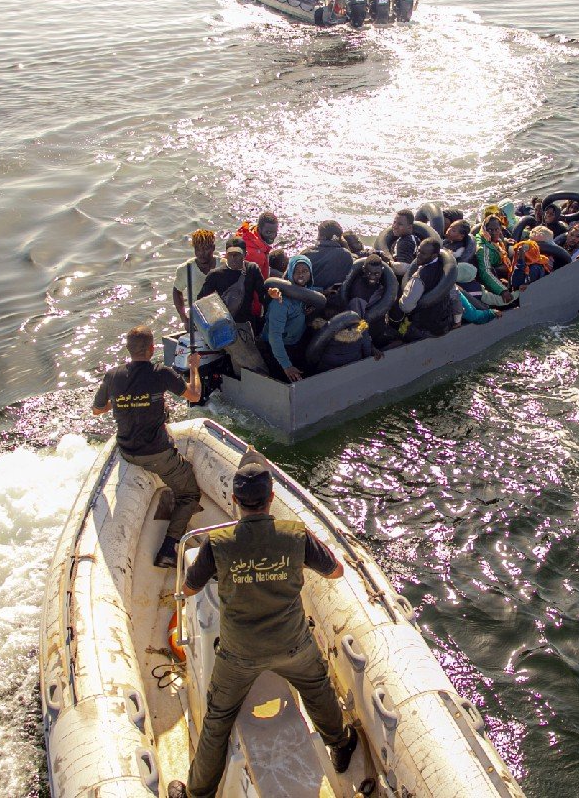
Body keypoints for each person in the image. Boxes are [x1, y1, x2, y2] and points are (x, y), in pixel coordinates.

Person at [166, 453, 358, 798]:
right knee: (317, 688)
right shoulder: (295, 535)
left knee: (219, 718)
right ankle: (340, 744)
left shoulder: (217, 543)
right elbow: (335, 571)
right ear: (271, 499)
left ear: (235, 501)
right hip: (294, 647)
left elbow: (189, 589)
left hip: (239, 653)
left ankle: (197, 793)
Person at [91, 326, 203, 569]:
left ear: (128, 349)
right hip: (157, 454)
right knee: (190, 494)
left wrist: (124, 401)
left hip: (128, 451)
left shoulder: (112, 376)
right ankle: (168, 548)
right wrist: (194, 366)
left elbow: (97, 409)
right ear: (153, 349)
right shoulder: (160, 373)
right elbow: (194, 395)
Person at [198, 236, 269, 374]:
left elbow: (263, 296)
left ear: (245, 255)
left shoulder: (252, 270)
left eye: (238, 255)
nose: (234, 258)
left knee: (241, 364)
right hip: (225, 327)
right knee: (256, 367)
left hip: (246, 326)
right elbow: (201, 302)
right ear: (226, 255)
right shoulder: (215, 275)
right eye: (231, 255)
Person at [393, 238, 457, 341]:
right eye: (419, 250)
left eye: (423, 254)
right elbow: (454, 294)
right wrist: (457, 319)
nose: (418, 255)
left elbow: (406, 307)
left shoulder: (420, 277)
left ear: (434, 256)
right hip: (443, 323)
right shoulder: (446, 270)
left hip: (423, 328)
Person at [263, 255, 313, 382]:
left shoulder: (309, 293)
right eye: (296, 271)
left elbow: (316, 295)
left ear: (310, 274)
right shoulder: (280, 302)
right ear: (290, 273)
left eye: (305, 271)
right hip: (276, 348)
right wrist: (287, 366)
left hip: (295, 341)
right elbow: (274, 337)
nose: (301, 275)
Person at [315, 299, 383, 372]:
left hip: (326, 368)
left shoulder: (320, 329)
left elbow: (315, 351)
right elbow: (367, 349)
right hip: (353, 366)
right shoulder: (361, 329)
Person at [173, 230, 218, 329]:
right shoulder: (185, 269)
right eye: (198, 249)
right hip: (198, 318)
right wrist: (184, 319)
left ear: (213, 248)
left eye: (206, 249)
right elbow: (177, 291)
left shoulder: (223, 265)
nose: (201, 253)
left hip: (220, 316)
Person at [236, 212, 278, 317]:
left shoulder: (250, 235)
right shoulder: (255, 255)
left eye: (275, 232)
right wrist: (258, 311)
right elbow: (252, 287)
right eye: (268, 232)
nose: (272, 236)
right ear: (259, 229)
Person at [473, 213, 515, 307]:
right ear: (484, 229)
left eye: (496, 229)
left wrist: (507, 241)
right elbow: (485, 272)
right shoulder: (483, 249)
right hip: (487, 282)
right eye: (490, 230)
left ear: (500, 229)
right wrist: (502, 291)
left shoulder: (494, 240)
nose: (494, 232)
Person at [303, 219, 354, 291]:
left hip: (308, 297)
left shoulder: (307, 253)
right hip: (335, 298)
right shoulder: (347, 255)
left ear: (320, 236)